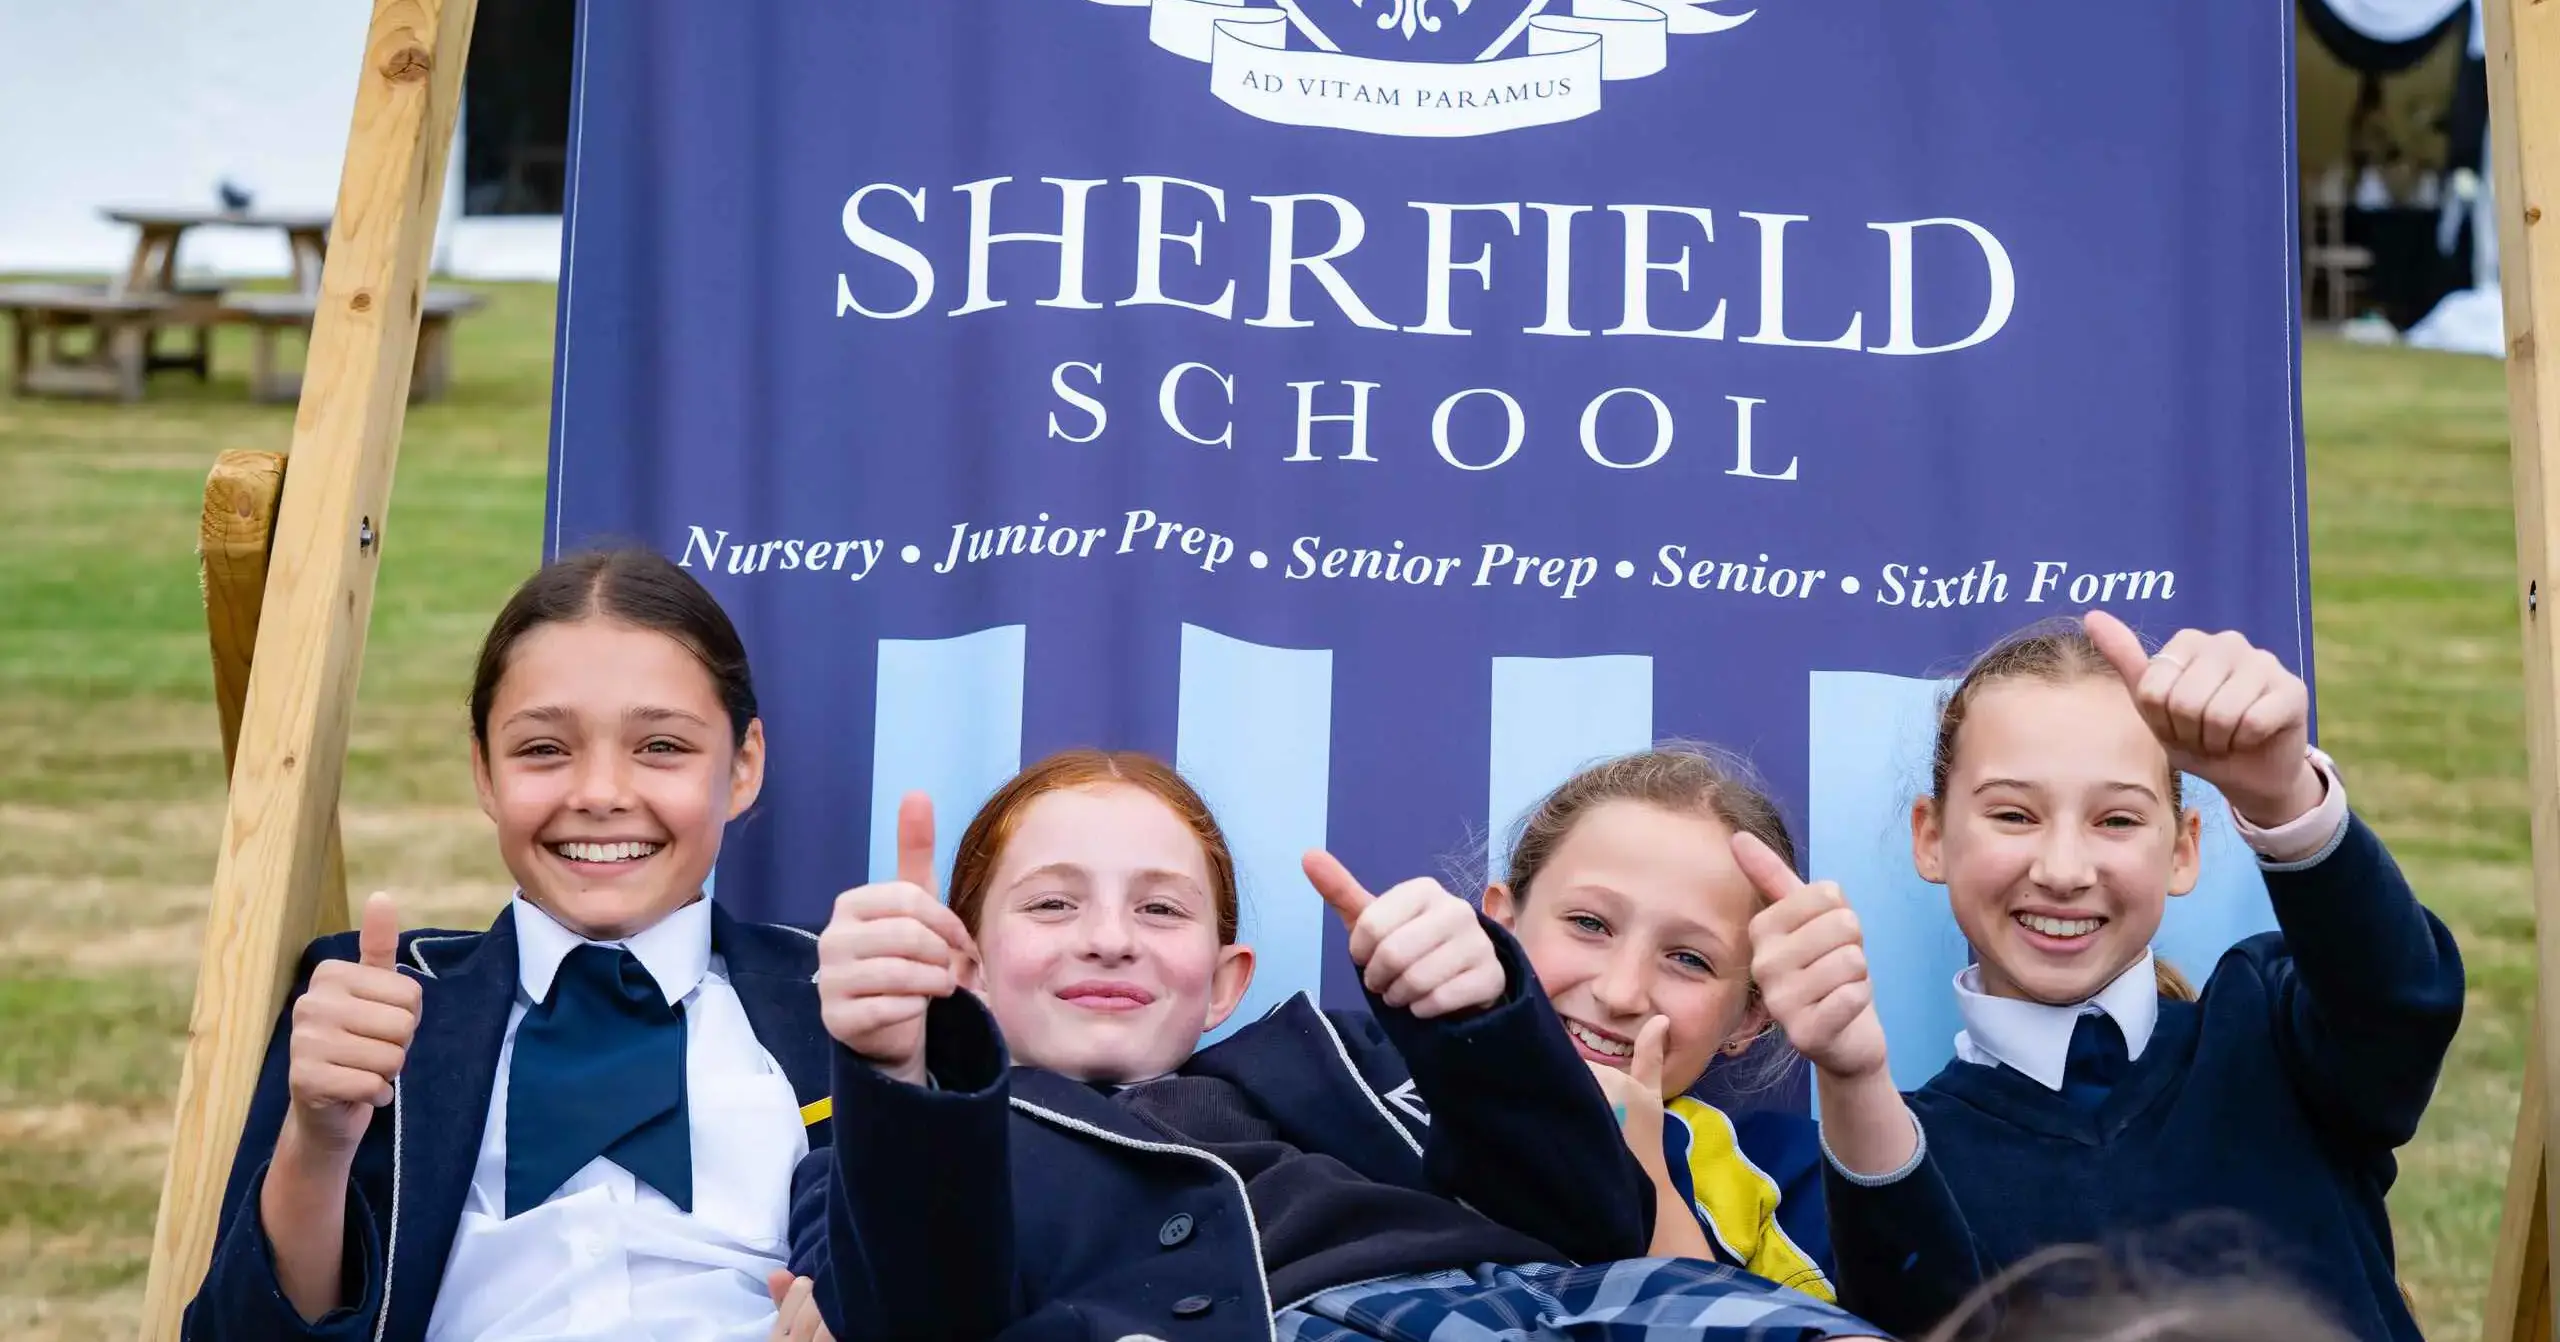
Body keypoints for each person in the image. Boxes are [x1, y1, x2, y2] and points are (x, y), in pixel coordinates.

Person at [789, 749, 1885, 1341]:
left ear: (1227, 981)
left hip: (1561, 1297)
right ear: (963, 962)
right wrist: (897, 1072)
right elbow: (907, 1317)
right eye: (1051, 906)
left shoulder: (1351, 1061)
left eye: (1163, 910)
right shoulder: (871, 1160)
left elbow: (1590, 1221)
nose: (1111, 938)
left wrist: (1477, 1023)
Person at [1743, 612, 2461, 1342]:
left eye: (2116, 820)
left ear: (2183, 850)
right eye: (2014, 815)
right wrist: (1852, 1075)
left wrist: (2286, 798)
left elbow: (2401, 1007)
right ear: (1932, 838)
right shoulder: (1905, 1151)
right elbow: (1915, 1313)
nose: (2062, 870)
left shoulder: (2273, 1027)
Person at [185, 549, 837, 1342]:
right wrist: (318, 1142)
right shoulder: (373, 1005)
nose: (599, 794)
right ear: (484, 773)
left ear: (742, 766)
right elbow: (244, 1332)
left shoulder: (834, 997)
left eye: (661, 746)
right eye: (543, 750)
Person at [1484, 746, 1833, 1298]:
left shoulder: (1783, 1182)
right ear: (1502, 925)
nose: (1620, 991)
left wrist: (1646, 1179)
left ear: (1749, 1016)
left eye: (1689, 959)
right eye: (1589, 923)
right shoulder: (1359, 1082)